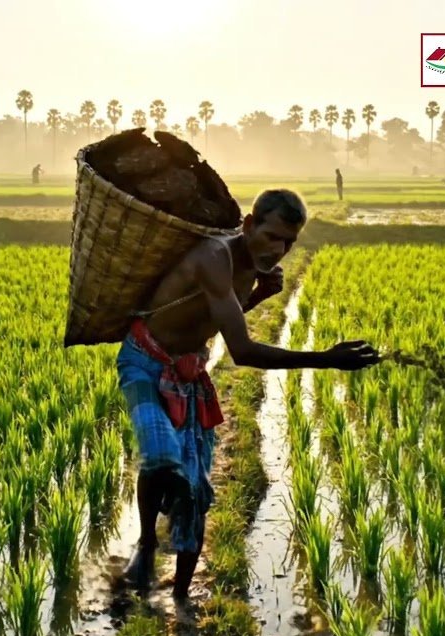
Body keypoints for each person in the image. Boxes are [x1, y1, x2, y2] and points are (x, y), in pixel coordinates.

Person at [117, 189, 380, 599]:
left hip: (188, 374)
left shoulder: (249, 270)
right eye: (272, 236)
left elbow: (216, 318)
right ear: (249, 225)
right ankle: (147, 541)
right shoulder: (213, 258)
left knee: (195, 492)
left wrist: (258, 295)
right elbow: (241, 351)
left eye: (290, 243)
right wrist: (326, 359)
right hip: (145, 362)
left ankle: (181, 601)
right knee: (162, 454)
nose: (280, 250)